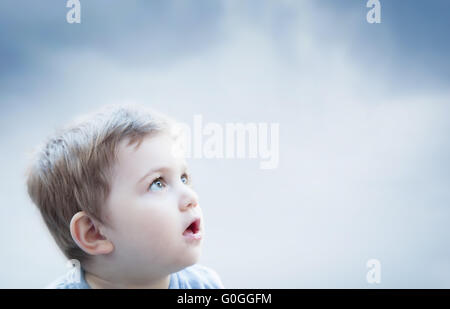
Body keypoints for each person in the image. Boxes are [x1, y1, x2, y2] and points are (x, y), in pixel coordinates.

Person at [26, 104, 224, 289]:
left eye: (183, 178)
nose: (191, 196)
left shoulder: (203, 285)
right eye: (157, 183)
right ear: (95, 232)